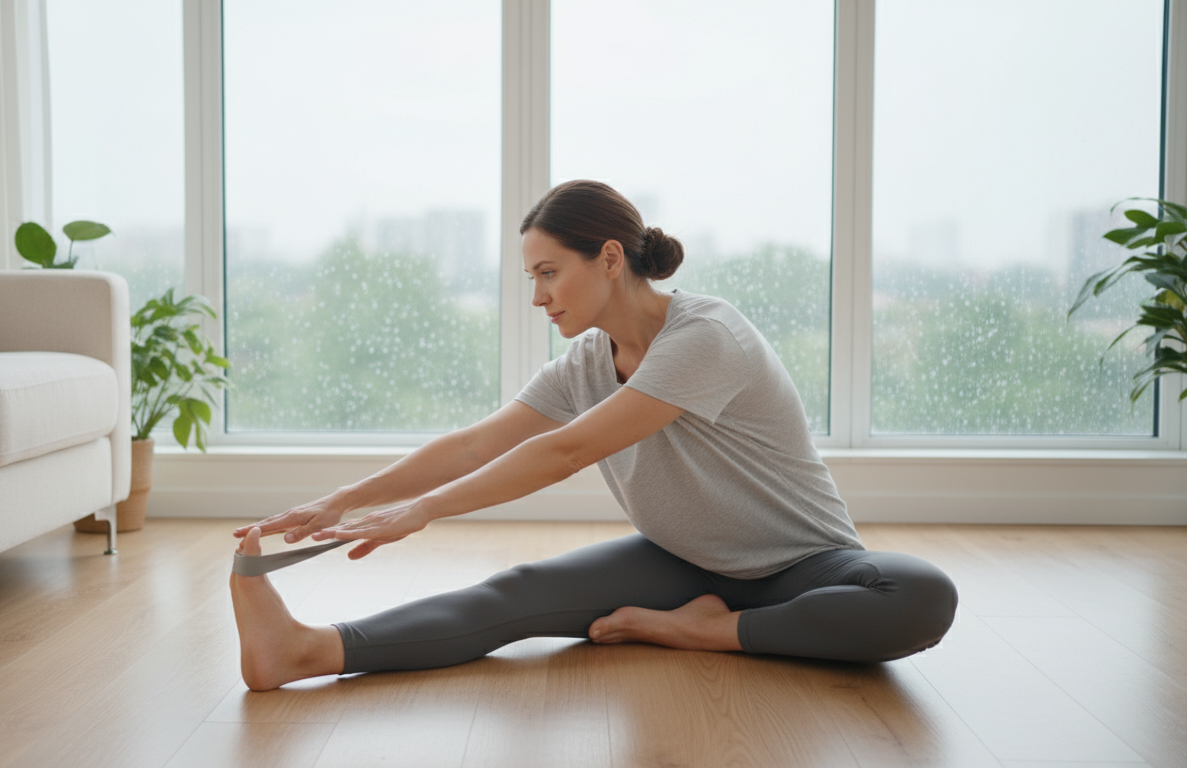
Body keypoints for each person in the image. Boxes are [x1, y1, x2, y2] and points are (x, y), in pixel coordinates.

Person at [229, 180, 958, 691]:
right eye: (530, 278)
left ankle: (699, 631)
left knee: (921, 595)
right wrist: (343, 499)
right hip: (682, 564)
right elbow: (477, 444)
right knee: (516, 593)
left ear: (610, 258)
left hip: (801, 566)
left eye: (550, 272)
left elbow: (567, 452)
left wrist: (425, 510)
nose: (539, 295)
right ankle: (303, 651)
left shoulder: (706, 336)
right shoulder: (586, 361)